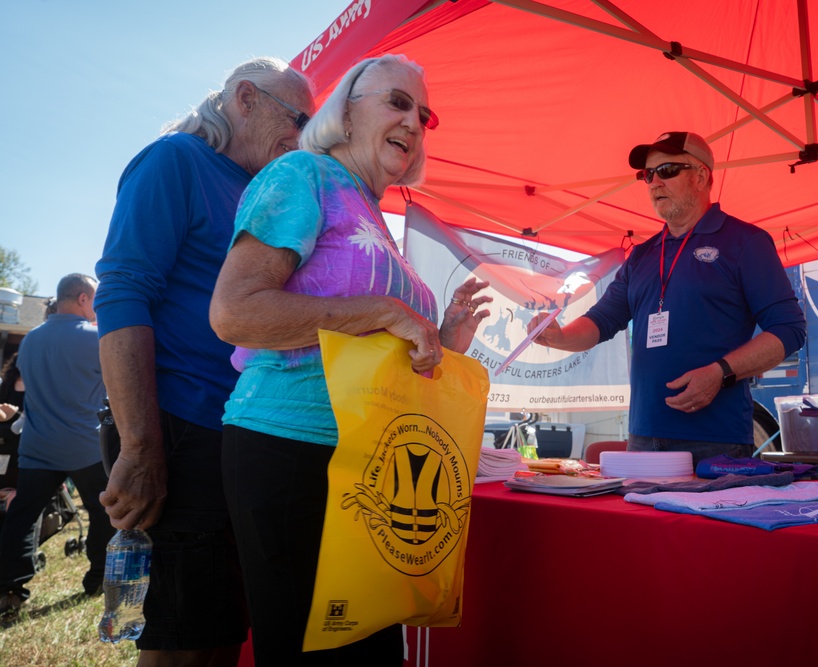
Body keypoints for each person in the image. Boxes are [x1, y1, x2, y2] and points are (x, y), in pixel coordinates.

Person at [209, 54, 491, 665]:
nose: (414, 121)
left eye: (424, 113)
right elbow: (234, 313)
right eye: (396, 102)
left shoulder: (370, 211)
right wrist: (384, 311)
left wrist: (441, 338)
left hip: (366, 461)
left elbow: (372, 347)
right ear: (345, 110)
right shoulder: (303, 176)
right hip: (290, 449)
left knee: (369, 649)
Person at [93, 57, 314, 664]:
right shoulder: (177, 160)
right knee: (189, 642)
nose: (307, 137)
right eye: (300, 119)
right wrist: (140, 448)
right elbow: (122, 291)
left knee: (219, 630)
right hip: (179, 425)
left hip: (239, 433)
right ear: (246, 99)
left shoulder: (263, 192)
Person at [529, 131, 806, 464]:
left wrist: (720, 372)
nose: (654, 182)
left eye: (668, 170)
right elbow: (602, 320)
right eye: (648, 174)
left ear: (702, 176)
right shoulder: (643, 255)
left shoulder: (744, 241)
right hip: (643, 436)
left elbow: (790, 329)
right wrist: (558, 337)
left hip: (715, 438)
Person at [0, 274, 113, 616]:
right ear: (82, 298)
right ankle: (98, 579)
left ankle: (9, 589)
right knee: (103, 512)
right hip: (85, 446)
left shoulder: (31, 340)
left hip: (37, 446)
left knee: (22, 517)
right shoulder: (97, 338)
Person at [0, 352, 25, 488]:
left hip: (25, 433)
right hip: (6, 434)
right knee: (3, 472)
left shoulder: (38, 383)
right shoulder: (6, 384)